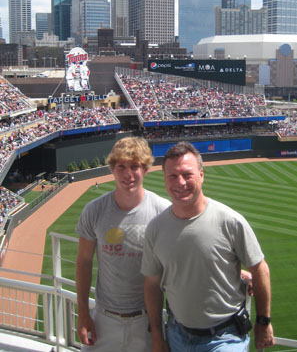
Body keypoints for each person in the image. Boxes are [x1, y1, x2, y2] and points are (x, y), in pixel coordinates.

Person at [142, 141, 274, 352]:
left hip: (226, 338)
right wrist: (158, 335)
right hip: (177, 335)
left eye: (188, 174)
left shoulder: (230, 221)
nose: (180, 182)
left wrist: (263, 322)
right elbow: (151, 284)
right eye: (173, 176)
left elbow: (260, 269)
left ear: (201, 175)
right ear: (164, 179)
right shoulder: (155, 228)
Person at [75, 137, 170, 351]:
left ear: (145, 169)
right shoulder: (94, 210)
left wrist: (233, 271)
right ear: (112, 169)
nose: (128, 174)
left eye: (135, 166)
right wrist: (82, 314)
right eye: (121, 167)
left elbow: (185, 256)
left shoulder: (163, 211)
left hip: (147, 321)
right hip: (103, 319)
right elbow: (83, 261)